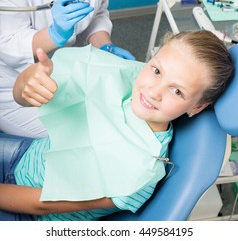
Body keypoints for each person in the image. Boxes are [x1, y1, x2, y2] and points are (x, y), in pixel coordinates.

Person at [0, 30, 234, 221]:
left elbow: (43, 204)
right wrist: (28, 82)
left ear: (197, 107)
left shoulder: (140, 173)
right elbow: (22, 96)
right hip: (26, 155)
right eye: (156, 70)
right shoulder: (123, 81)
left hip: (28, 214)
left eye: (177, 91)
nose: (154, 91)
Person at [0, 0, 135, 138]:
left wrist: (104, 46)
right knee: (92, 133)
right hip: (16, 86)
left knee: (123, 114)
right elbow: (7, 41)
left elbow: (98, 12)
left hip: (71, 70)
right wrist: (54, 34)